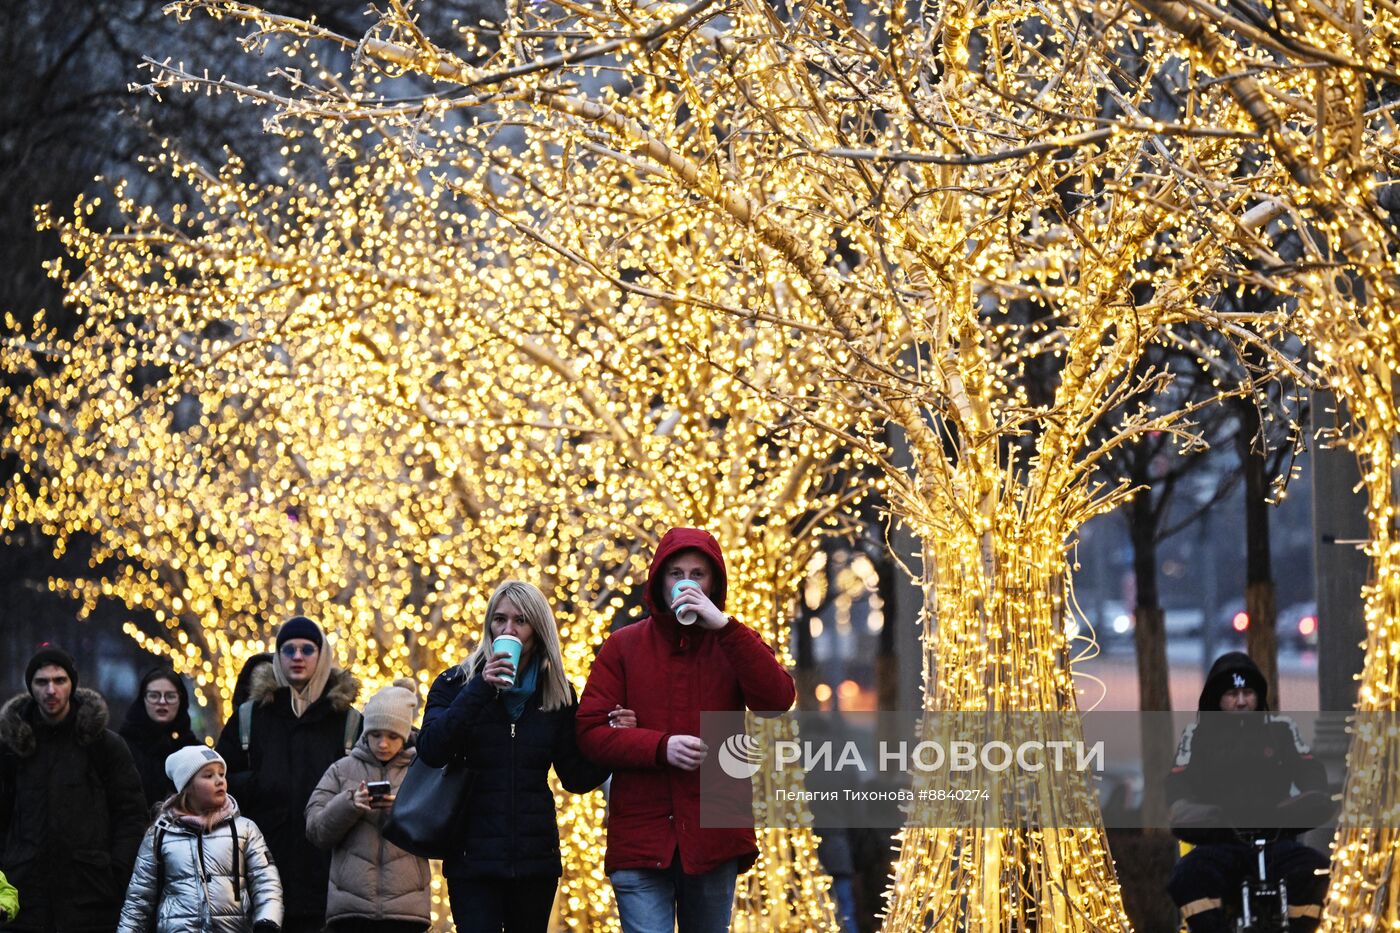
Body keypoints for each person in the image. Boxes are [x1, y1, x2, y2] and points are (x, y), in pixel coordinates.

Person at [576, 527, 797, 933]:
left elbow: (777, 700)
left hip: (713, 834)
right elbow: (590, 731)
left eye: (698, 575)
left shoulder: (734, 642)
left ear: (714, 583)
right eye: (676, 573)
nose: (686, 584)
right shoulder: (624, 646)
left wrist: (727, 627)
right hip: (641, 838)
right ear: (660, 580)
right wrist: (660, 747)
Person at [417, 581, 613, 933]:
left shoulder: (557, 692)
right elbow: (431, 749)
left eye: (520, 621)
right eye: (500, 619)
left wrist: (614, 739)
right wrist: (480, 688)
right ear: (488, 625)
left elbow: (576, 777)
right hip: (471, 859)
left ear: (537, 631)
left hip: (535, 860)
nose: (508, 630)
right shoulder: (455, 683)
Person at [1166, 651, 1332, 933]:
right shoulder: (1196, 735)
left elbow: (1309, 770)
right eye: (1232, 693)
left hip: (1277, 838)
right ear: (1217, 699)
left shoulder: (1281, 729)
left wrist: (1311, 797)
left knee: (1316, 871)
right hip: (1219, 839)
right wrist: (1189, 811)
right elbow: (1177, 782)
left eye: (1248, 692)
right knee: (1188, 876)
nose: (1241, 701)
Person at [215, 617, 362, 933]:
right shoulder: (251, 716)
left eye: (307, 649)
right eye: (288, 649)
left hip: (329, 876)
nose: (297, 657)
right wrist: (259, 784)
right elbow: (218, 782)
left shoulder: (347, 721)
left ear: (321, 656)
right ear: (277, 656)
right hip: (261, 875)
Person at [0, 646, 148, 933]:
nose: (51, 690)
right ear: (30, 686)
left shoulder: (104, 745)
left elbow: (130, 814)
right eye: (41, 682)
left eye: (59, 680)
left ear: (73, 684)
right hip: (24, 896)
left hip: (91, 896)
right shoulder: (11, 748)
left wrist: (116, 873)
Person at [305, 679, 431, 933]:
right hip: (350, 910)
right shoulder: (342, 770)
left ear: (405, 734)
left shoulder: (422, 770)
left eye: (393, 736)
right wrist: (350, 803)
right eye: (375, 734)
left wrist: (397, 812)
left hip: (406, 912)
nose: (383, 743)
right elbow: (315, 829)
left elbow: (436, 831)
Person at [117, 745, 283, 932]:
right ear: (187, 786)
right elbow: (138, 899)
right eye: (208, 775)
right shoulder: (160, 834)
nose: (219, 780)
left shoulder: (245, 829)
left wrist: (267, 920)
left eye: (221, 774)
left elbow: (267, 882)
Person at [119, 667, 203, 811]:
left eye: (170, 696)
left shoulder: (196, 752)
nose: (162, 702)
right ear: (143, 699)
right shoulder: (122, 747)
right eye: (154, 695)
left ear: (181, 700)